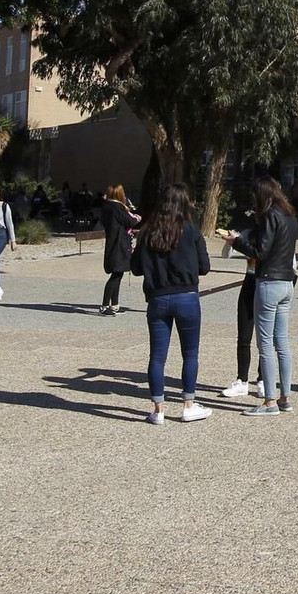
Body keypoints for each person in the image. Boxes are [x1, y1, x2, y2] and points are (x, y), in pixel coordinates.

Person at [129, 182, 212, 425]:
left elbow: (135, 269)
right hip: (187, 297)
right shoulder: (191, 230)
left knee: (157, 356)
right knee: (190, 353)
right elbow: (204, 267)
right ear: (184, 204)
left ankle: (158, 409)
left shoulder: (148, 232)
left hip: (157, 298)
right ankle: (188, 404)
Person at [223, 177, 298, 417]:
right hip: (287, 282)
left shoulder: (270, 216)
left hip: (269, 281)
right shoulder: (290, 216)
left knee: (265, 344)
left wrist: (236, 242)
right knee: (282, 343)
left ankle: (269, 402)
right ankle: (285, 396)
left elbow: (260, 252)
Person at [220, 201, 263, 400]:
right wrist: (230, 241)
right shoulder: (249, 227)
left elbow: (291, 261)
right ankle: (242, 380)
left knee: (266, 337)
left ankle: (263, 379)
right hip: (250, 280)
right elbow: (226, 255)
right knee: (244, 335)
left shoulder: (278, 227)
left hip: (268, 283)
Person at [100, 184, 140, 316]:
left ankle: (114, 304)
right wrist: (136, 218)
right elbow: (129, 221)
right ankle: (105, 306)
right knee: (116, 275)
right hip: (119, 243)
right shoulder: (117, 207)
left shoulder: (107, 206)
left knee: (119, 273)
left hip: (113, 242)